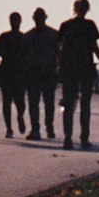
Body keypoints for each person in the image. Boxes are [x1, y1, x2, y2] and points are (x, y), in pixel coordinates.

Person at [57, 0, 99, 149]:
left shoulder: (65, 25)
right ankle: (84, 138)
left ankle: (67, 138)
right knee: (85, 105)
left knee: (69, 104)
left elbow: (58, 49)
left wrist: (59, 65)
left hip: (69, 69)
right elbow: (94, 47)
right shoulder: (90, 26)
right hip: (86, 68)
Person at [24, 7, 59, 140]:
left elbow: (59, 53)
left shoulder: (53, 35)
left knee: (45, 103)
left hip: (46, 72)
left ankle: (45, 128)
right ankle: (38, 129)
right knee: (38, 103)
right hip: (36, 73)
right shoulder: (29, 36)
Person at [0, 11, 27, 138]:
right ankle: (9, 128)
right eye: (13, 20)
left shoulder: (24, 37)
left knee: (20, 102)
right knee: (6, 102)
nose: (15, 23)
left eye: (16, 20)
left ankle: (20, 117)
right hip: (7, 72)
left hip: (19, 73)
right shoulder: (4, 37)